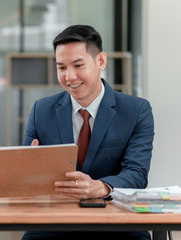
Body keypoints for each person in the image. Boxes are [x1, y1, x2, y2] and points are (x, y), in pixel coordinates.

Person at [21, 25, 154, 240]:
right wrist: (28, 166)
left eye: (78, 65)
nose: (69, 76)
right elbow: (23, 179)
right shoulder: (41, 110)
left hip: (117, 223)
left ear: (100, 61)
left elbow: (137, 174)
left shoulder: (136, 110)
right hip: (54, 222)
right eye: (61, 67)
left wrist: (101, 187)